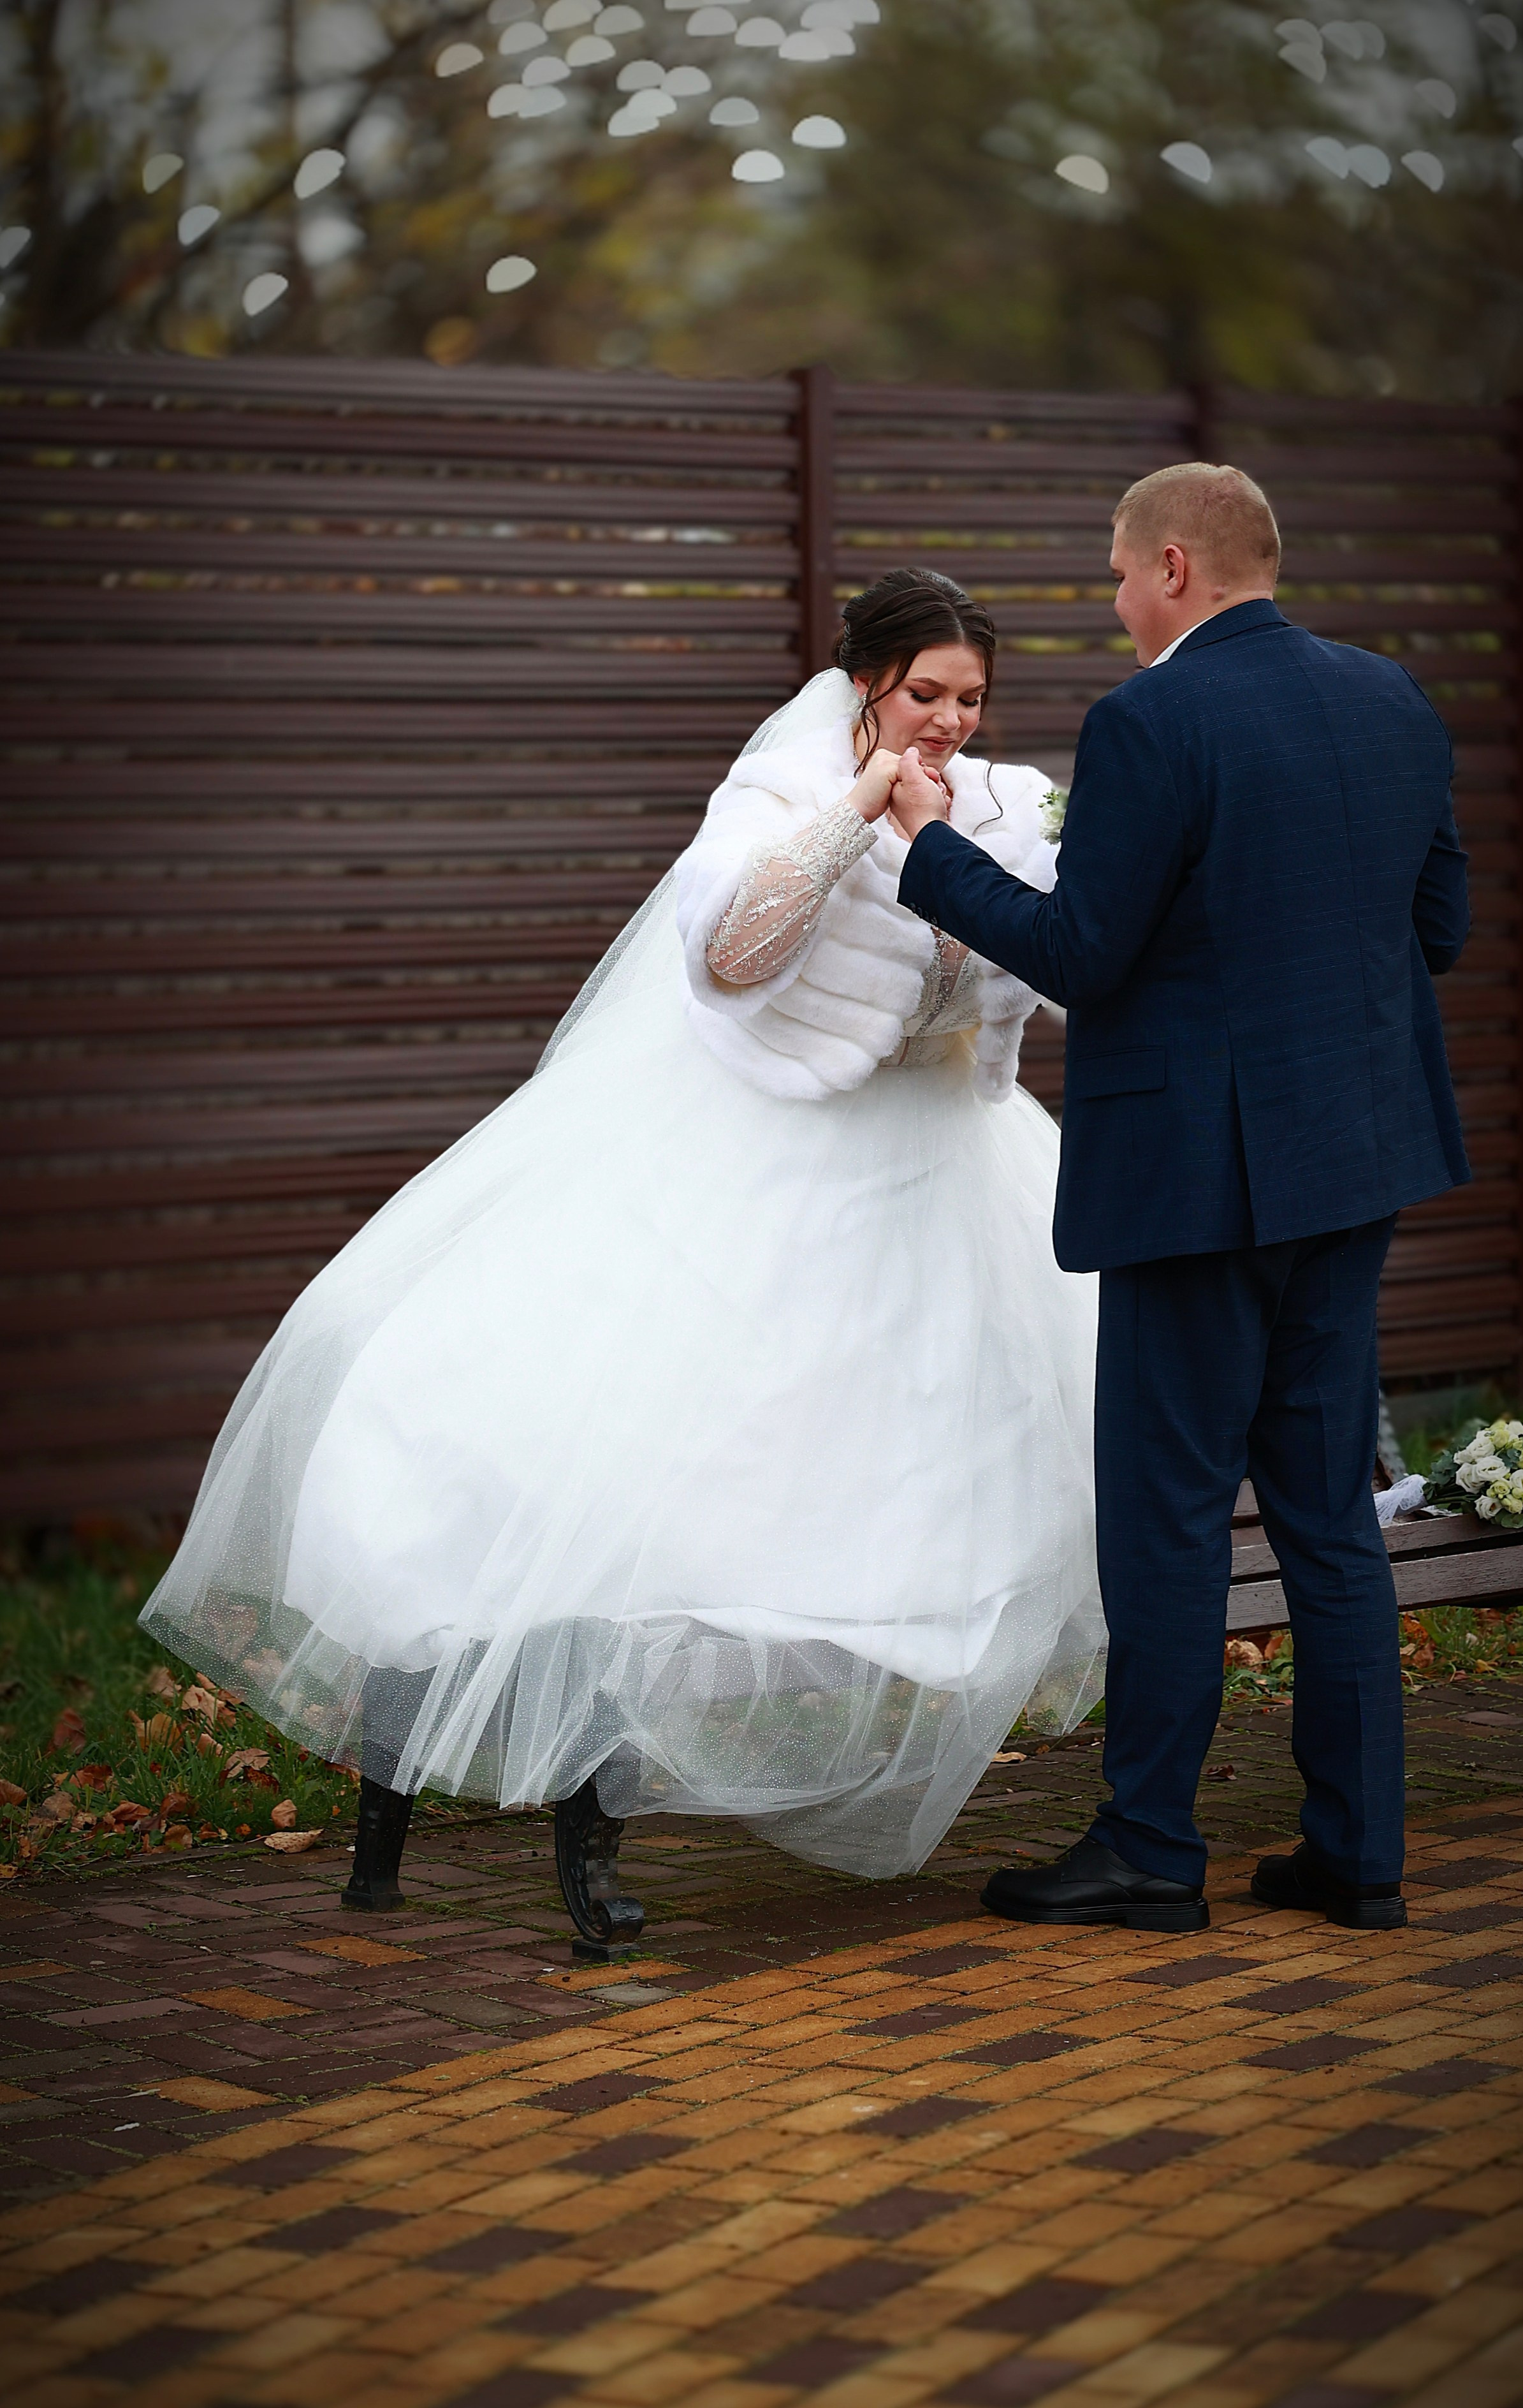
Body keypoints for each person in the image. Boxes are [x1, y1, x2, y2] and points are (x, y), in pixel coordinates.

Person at [140, 568, 1104, 1909]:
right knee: (675, 1458)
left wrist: (954, 849)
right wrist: (861, 806)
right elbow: (729, 956)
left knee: (905, 1478)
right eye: (923, 692)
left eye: (969, 698)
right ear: (865, 681)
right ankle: (575, 1817)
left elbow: (1006, 968)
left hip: (935, 1161)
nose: (945, 719)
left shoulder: (1001, 801)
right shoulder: (778, 791)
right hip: (771, 1149)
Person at [890, 464, 1471, 1935]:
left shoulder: (1150, 716)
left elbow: (1080, 952)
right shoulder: (1388, 697)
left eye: (1110, 573)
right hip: (1356, 1159)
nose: (1109, 600)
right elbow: (1438, 928)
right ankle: (1356, 1854)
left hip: (1194, 1184)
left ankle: (1149, 1846)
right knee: (1326, 1517)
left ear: (1170, 566)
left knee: (1162, 1521)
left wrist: (923, 846)